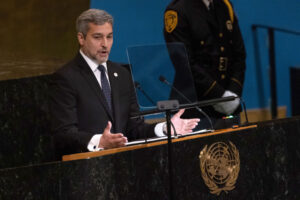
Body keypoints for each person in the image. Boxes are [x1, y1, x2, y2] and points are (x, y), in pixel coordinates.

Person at [50, 9, 200, 157]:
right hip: (86, 167)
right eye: (97, 37)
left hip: (123, 164)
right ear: (81, 38)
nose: (105, 44)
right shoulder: (66, 78)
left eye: (109, 37)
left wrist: (165, 128)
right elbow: (64, 135)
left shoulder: (122, 74)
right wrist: (99, 141)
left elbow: (134, 128)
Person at [164, 0, 246, 128]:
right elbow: (184, 63)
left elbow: (239, 54)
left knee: (234, 147)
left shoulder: (225, 6)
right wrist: (219, 95)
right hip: (194, 107)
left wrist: (233, 94)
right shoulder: (178, 10)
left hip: (229, 101)